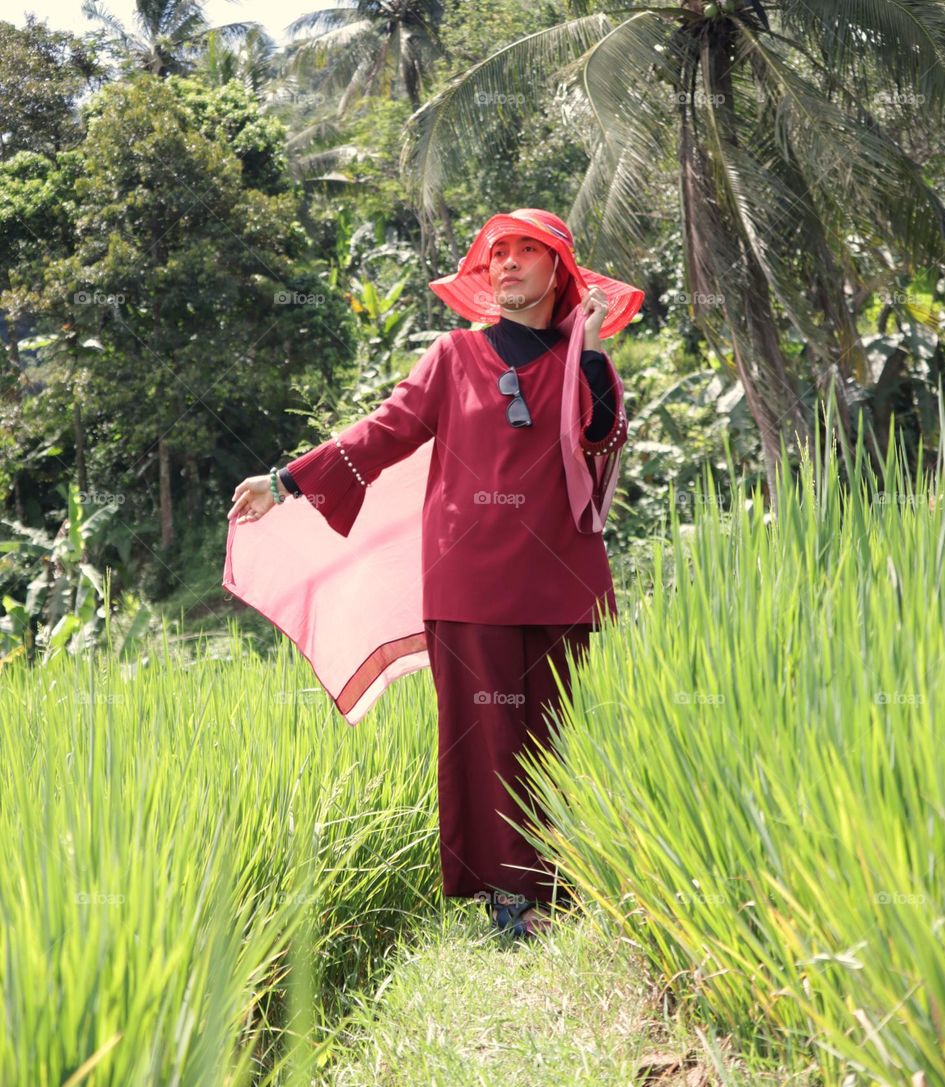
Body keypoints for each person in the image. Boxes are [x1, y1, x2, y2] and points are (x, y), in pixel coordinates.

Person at [226, 208, 644, 940]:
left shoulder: (589, 363)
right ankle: (513, 902)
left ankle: (566, 881)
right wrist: (285, 481)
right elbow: (383, 432)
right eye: (497, 254)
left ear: (558, 272)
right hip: (470, 585)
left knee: (560, 733)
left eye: (525, 252)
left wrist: (587, 350)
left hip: (562, 581)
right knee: (488, 738)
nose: (507, 263)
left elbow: (602, 433)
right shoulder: (453, 357)